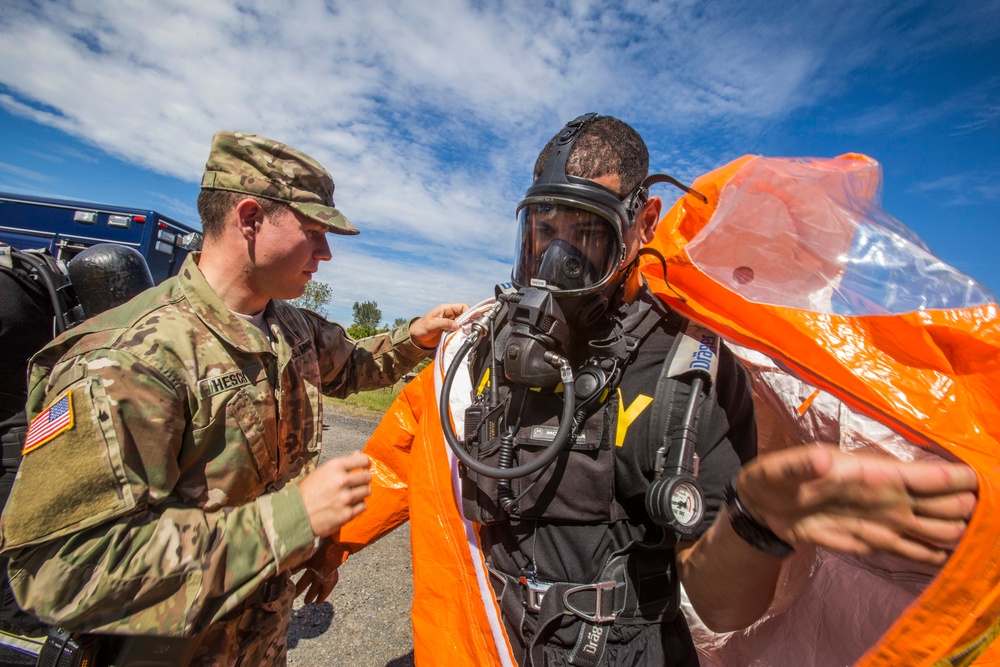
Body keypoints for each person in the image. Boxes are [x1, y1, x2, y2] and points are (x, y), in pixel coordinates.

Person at [295, 114, 978, 666]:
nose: (556, 260)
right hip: (482, 639)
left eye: (584, 235)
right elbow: (402, 452)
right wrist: (330, 547)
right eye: (543, 232)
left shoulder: (687, 372)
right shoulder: (479, 347)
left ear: (642, 223)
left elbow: (723, 605)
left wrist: (757, 520)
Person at [0, 131, 467, 666]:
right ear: (249, 219)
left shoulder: (287, 326)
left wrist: (417, 337)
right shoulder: (129, 359)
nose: (327, 252)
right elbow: (60, 570)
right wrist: (293, 519)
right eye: (313, 231)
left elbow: (352, 367)